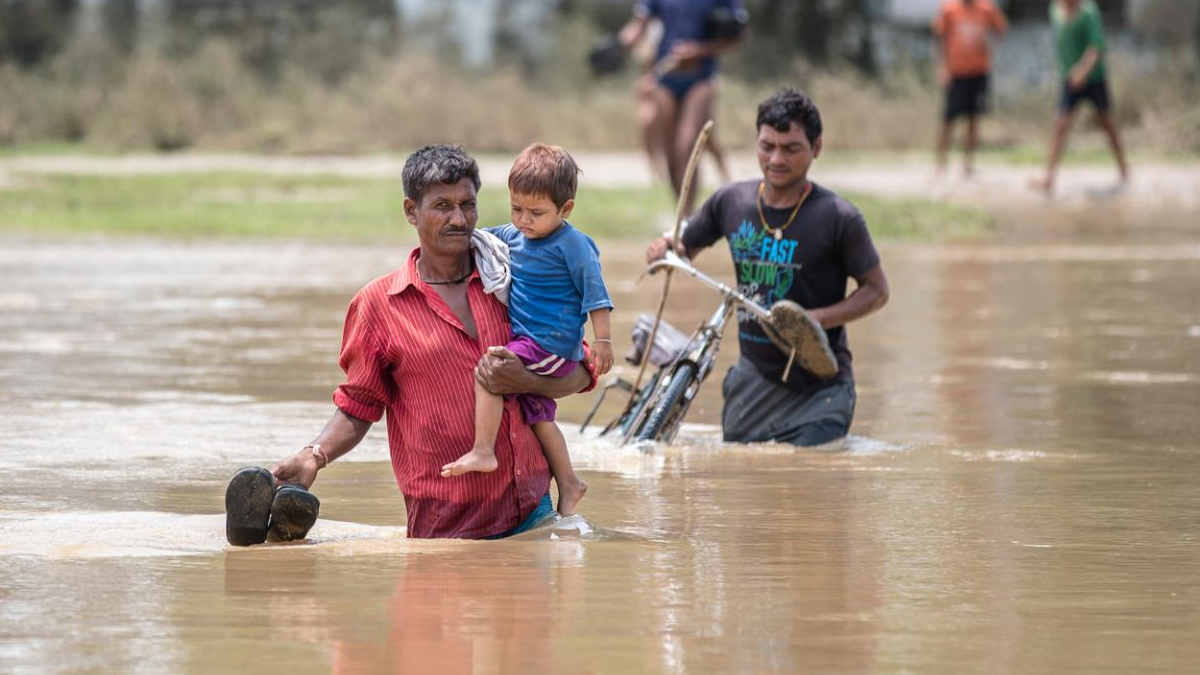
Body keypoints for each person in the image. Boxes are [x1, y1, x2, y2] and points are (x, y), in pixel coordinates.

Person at [225, 145, 596, 544]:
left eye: (468, 204)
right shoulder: (378, 305)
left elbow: (578, 370)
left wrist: (526, 379)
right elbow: (359, 405)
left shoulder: (509, 279)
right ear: (410, 211)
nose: (459, 218)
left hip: (533, 515)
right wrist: (315, 454)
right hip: (442, 526)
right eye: (442, 205)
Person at [645, 88, 889, 446]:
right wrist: (666, 248)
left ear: (816, 148)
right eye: (767, 146)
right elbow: (684, 247)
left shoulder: (840, 217)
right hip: (754, 382)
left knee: (807, 481)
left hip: (820, 389)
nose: (776, 158)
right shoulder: (731, 201)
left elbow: (877, 291)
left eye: (790, 148)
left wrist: (816, 319)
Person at [440, 143, 614, 518]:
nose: (523, 221)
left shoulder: (573, 245)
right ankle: (569, 482)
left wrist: (602, 341)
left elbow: (596, 294)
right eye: (516, 208)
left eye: (536, 212)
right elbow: (477, 237)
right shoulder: (516, 235)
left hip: (550, 344)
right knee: (538, 416)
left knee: (491, 372)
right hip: (531, 342)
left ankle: (483, 451)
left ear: (565, 209)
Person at [619, 0, 745, 214]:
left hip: (701, 78)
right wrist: (619, 44)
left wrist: (701, 50)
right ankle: (683, 215)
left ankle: (689, 215)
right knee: (669, 154)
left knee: (686, 146)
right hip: (666, 77)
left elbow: (737, 36)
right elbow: (638, 26)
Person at [1032, 0, 1129, 194]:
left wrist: (1083, 71)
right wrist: (1068, 72)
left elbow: (1098, 45)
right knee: (1061, 124)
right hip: (1069, 79)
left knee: (1107, 122)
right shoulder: (1055, 10)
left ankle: (1124, 170)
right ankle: (1049, 178)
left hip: (1093, 78)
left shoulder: (1088, 11)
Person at [932, 0, 1007, 178]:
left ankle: (968, 164)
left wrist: (990, 45)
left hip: (979, 71)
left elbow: (1001, 29)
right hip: (956, 72)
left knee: (973, 119)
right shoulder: (948, 9)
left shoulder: (987, 8)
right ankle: (941, 163)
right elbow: (937, 39)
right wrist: (941, 68)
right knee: (948, 119)